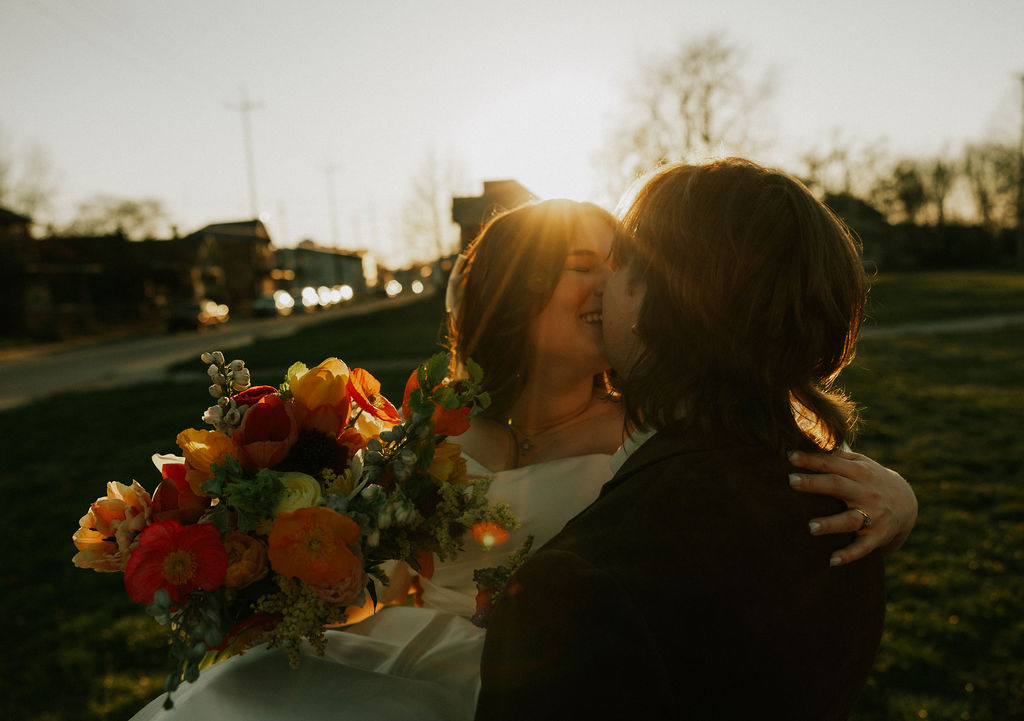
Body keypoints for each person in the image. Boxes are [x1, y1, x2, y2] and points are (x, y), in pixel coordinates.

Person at [131, 198, 914, 720]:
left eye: (622, 264)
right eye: (584, 263)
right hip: (400, 645)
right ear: (517, 285)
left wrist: (898, 493)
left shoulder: (650, 425)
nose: (611, 281)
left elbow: (756, 463)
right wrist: (336, 583)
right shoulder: (435, 425)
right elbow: (397, 576)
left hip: (542, 680)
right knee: (232, 696)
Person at [476, 160, 894, 721]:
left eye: (619, 264)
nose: (603, 286)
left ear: (660, 304)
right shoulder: (851, 520)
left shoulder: (577, 588)